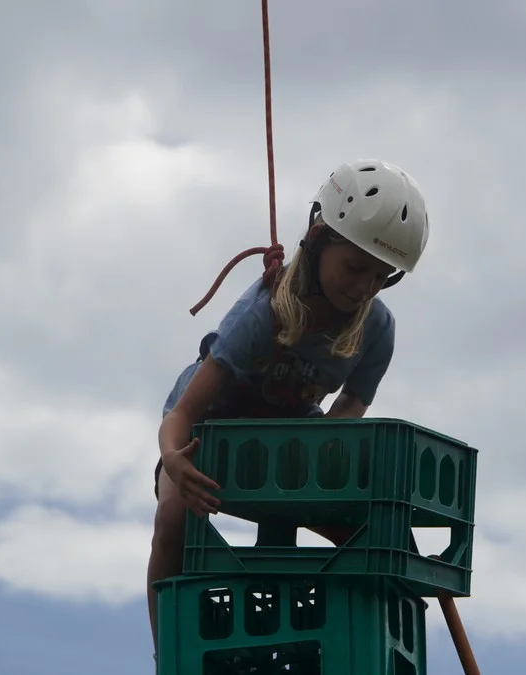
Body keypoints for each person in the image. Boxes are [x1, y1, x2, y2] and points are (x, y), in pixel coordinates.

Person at [146, 158, 431, 650]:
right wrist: (173, 460)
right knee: (174, 520)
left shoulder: (376, 329)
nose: (365, 286)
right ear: (319, 240)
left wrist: (324, 477)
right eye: (356, 267)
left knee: (375, 536)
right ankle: (170, 654)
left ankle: (358, 641)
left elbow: (348, 411)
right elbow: (182, 416)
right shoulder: (263, 313)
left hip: (288, 436)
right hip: (211, 434)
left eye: (382, 276)